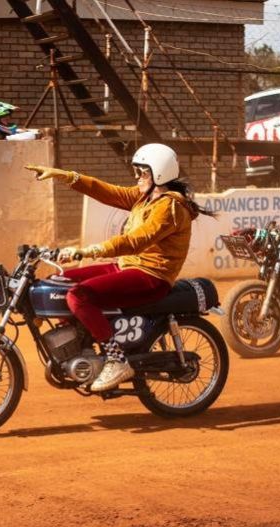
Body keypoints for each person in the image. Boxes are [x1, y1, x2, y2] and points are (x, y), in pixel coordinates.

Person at [24, 144, 201, 392]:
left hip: (152, 276)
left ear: (159, 174)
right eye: (137, 172)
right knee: (59, 280)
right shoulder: (144, 197)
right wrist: (63, 175)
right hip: (127, 267)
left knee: (79, 296)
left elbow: (134, 241)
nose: (137, 177)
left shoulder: (170, 208)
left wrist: (87, 251)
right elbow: (105, 191)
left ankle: (116, 359)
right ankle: (75, 344)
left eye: (143, 173)